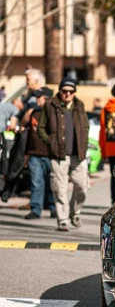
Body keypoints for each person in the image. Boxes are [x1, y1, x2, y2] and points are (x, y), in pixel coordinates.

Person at [37, 78, 90, 231]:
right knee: (59, 188)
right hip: (58, 154)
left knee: (82, 187)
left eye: (71, 92)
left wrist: (84, 144)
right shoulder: (50, 105)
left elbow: (85, 127)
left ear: (74, 93)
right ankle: (63, 219)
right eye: (64, 91)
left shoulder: (80, 106)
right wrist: (51, 142)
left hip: (78, 154)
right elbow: (41, 128)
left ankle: (75, 213)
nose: (67, 94)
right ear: (60, 91)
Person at [21, 88, 55, 220]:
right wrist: (26, 154)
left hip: (50, 154)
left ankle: (53, 208)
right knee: (36, 183)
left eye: (39, 97)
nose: (37, 100)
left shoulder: (54, 113)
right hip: (34, 154)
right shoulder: (33, 113)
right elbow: (27, 133)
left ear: (46, 98)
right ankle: (35, 209)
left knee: (52, 183)